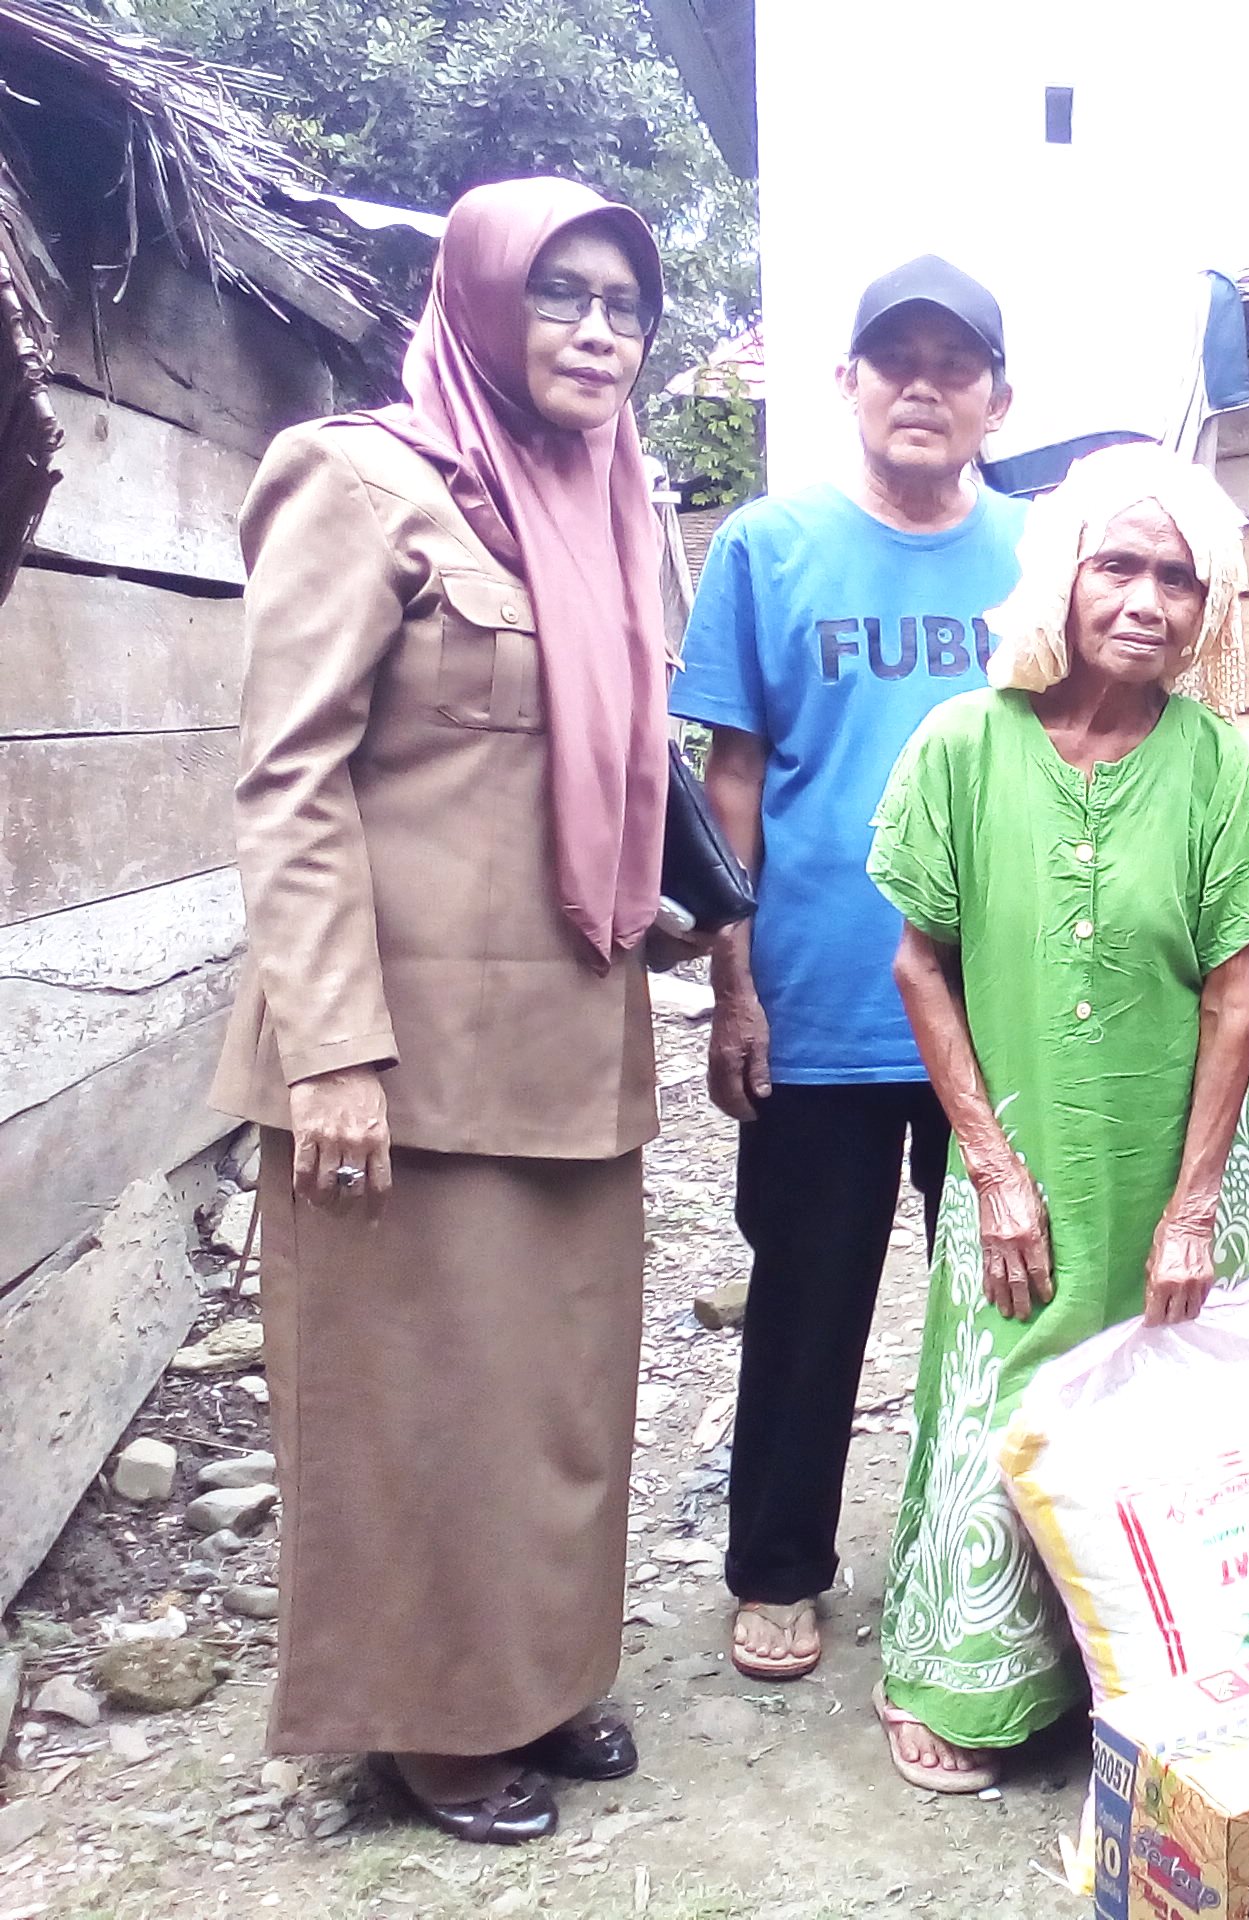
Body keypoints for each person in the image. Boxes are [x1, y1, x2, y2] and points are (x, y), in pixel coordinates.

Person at [214, 178, 698, 1844]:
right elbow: (289, 783)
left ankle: (532, 1680)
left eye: (626, 305)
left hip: (572, 1033)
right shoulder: (356, 480)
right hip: (400, 1056)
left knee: (553, 1394)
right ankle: (423, 1724)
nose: (598, 332)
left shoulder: (616, 499)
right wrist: (332, 1051)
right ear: (484, 300)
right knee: (409, 1393)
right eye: (562, 294)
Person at [864, 443, 1249, 1792]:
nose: (1146, 601)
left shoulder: (1214, 765)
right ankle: (976, 1676)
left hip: (1172, 1167)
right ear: (1061, 574)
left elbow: (1235, 994)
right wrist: (991, 1171)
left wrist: (1193, 1208)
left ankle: (1168, 1672)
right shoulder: (963, 743)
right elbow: (920, 966)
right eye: (1117, 565)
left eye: (1179, 577)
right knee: (1010, 1389)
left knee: (1175, 1412)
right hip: (1026, 1160)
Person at [669, 257, 1027, 1684]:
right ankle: (777, 1567)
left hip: (1000, 1005)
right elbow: (733, 781)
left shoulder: (1044, 554)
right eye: (897, 362)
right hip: (822, 995)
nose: (924, 387)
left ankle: (999, 1562)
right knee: (809, 1296)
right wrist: (732, 982)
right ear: (848, 385)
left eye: (955, 364)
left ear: (1000, 398)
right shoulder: (768, 548)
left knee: (1011, 1295)